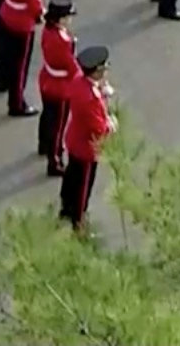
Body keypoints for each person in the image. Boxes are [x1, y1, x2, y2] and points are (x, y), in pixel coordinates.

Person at [60, 44, 116, 231]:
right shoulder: (90, 98)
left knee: (71, 177)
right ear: (97, 71)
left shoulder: (79, 81)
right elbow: (98, 128)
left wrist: (101, 91)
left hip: (74, 138)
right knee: (83, 186)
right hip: (86, 148)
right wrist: (111, 124)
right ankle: (79, 220)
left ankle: (66, 208)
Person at [35, 0, 80, 173]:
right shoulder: (63, 40)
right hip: (60, 86)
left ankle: (43, 144)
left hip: (47, 77)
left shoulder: (48, 31)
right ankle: (54, 161)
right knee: (58, 126)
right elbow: (71, 66)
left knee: (47, 116)